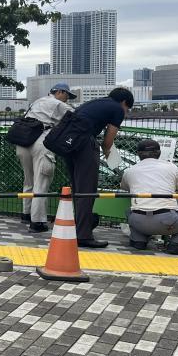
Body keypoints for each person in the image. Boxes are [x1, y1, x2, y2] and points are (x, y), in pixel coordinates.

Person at [58, 86, 134, 248]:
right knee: (87, 190)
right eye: (128, 108)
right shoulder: (117, 109)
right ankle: (84, 235)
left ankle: (78, 228)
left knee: (78, 189)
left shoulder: (95, 103)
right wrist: (109, 154)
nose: (126, 112)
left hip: (68, 144)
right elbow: (108, 140)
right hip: (84, 143)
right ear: (124, 102)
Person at [120, 138, 178, 255]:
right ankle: (177, 244)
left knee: (129, 211)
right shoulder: (171, 167)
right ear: (159, 153)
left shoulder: (130, 171)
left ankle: (138, 241)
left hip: (138, 221)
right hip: (166, 222)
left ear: (138, 154)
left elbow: (125, 187)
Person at [16, 83, 75, 232]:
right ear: (60, 92)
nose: (67, 99)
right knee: (41, 182)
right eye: (67, 95)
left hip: (23, 142)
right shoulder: (57, 104)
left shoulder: (37, 101)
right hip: (40, 142)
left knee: (28, 180)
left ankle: (26, 214)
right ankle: (38, 222)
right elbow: (76, 117)